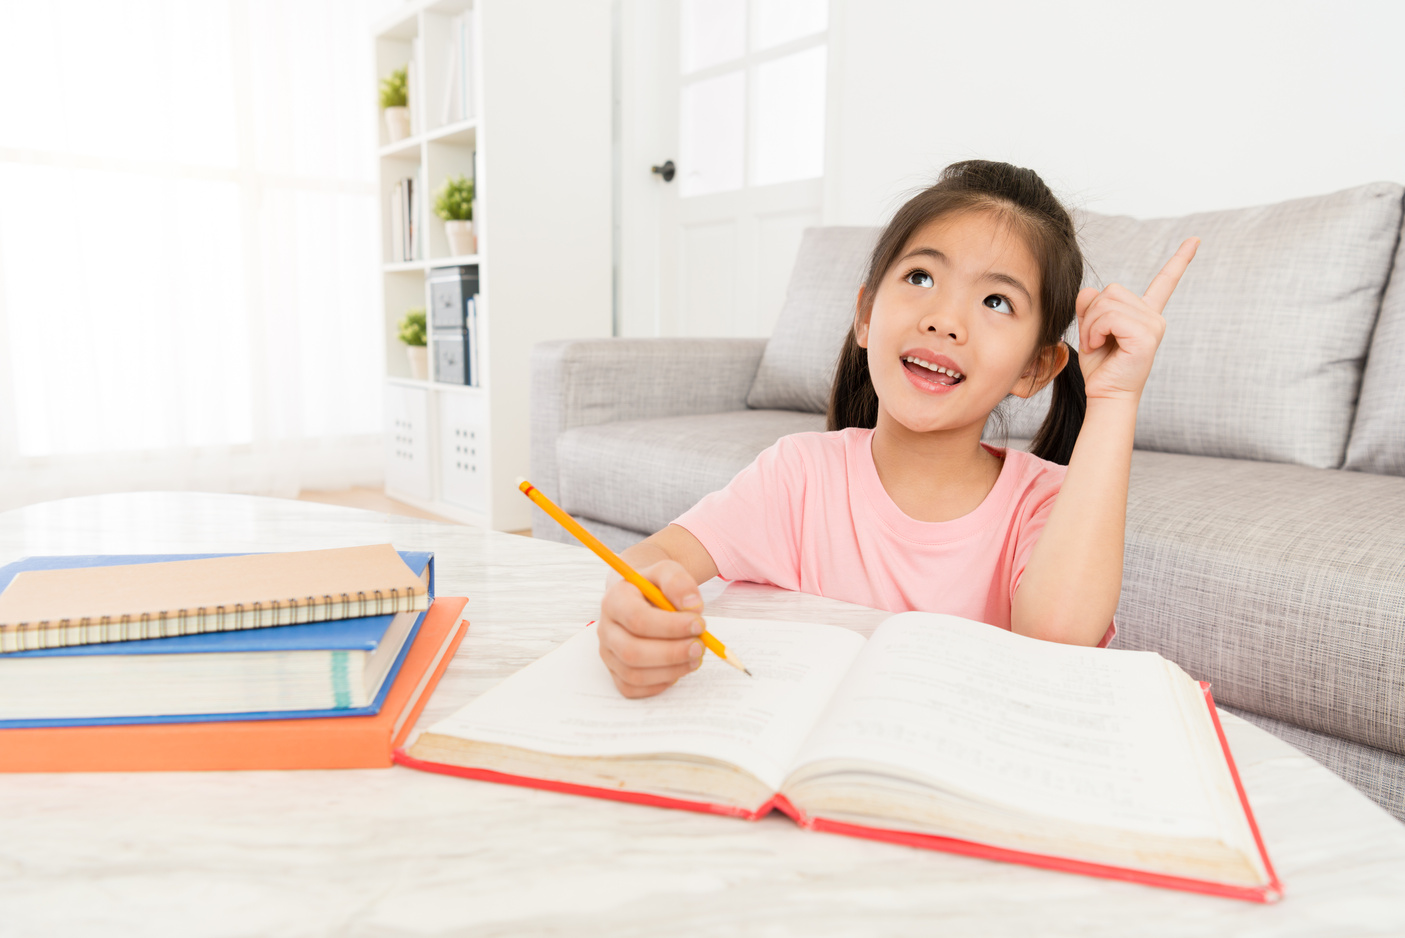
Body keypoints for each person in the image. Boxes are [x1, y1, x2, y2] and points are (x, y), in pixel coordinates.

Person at [597, 160, 1198, 699]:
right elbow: (654, 562)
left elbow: (1056, 638)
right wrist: (635, 612)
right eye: (920, 278)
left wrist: (1116, 398)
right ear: (864, 315)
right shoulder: (799, 475)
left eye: (996, 302)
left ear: (1035, 368)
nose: (944, 320)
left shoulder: (1046, 504)